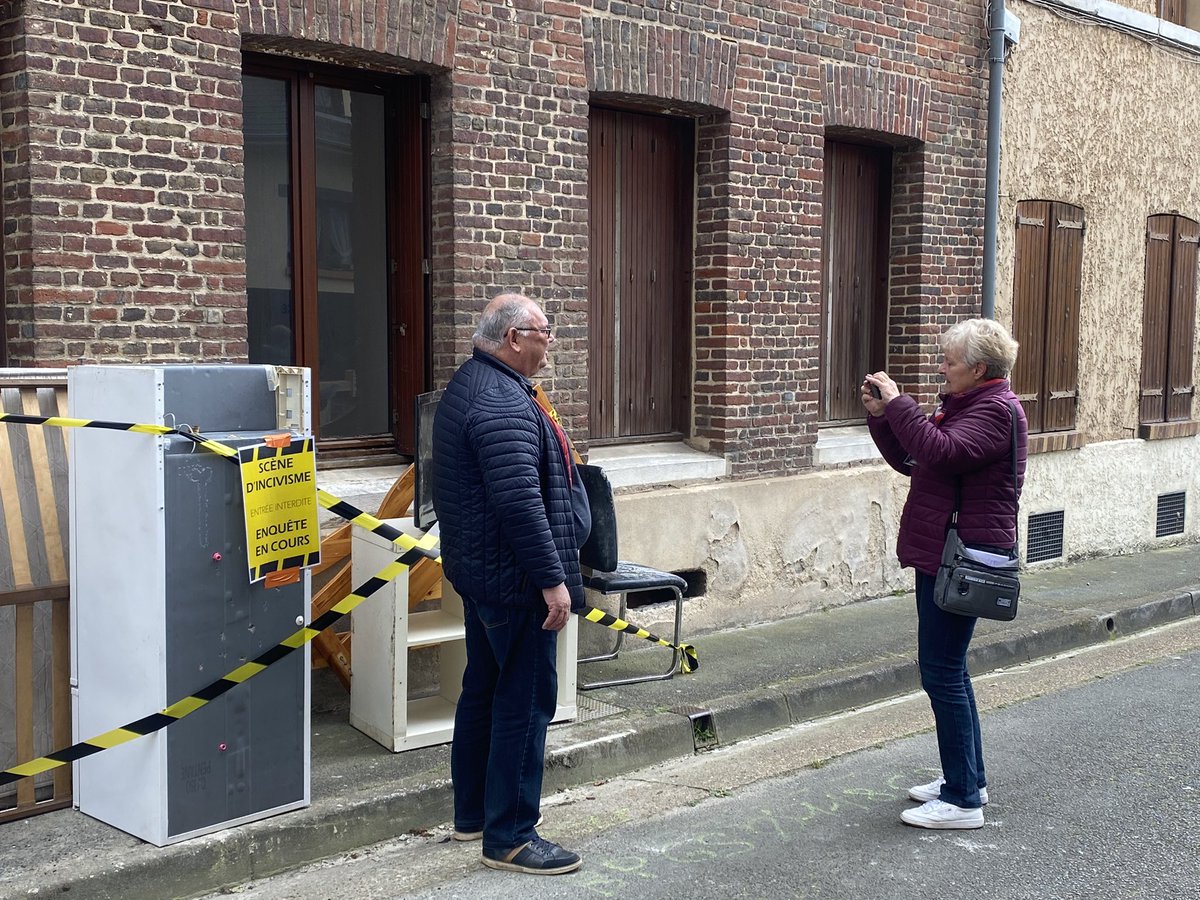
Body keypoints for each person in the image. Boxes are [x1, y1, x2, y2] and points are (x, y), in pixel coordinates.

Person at [431, 292, 588, 875]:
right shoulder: (502, 402)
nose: (551, 344)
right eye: (545, 332)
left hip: (483, 576)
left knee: (484, 691)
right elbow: (520, 503)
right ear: (515, 337)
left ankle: (473, 815)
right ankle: (512, 837)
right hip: (514, 582)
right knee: (524, 704)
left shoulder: (473, 382)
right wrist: (552, 580)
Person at [862, 317, 1028, 830]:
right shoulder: (969, 405)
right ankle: (967, 780)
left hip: (965, 559)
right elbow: (918, 460)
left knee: (940, 672)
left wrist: (899, 404)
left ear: (978, 368)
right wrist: (882, 419)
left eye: (949, 361)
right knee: (950, 671)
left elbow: (944, 452)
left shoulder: (995, 410)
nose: (942, 368)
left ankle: (961, 802)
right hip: (948, 554)